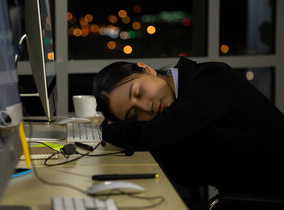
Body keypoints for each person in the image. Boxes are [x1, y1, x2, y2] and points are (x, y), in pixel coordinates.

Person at [93, 57, 284, 198]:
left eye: (138, 92)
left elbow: (152, 134)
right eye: (133, 115)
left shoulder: (212, 78)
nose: (145, 107)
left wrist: (109, 130)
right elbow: (187, 176)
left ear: (146, 69)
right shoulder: (172, 118)